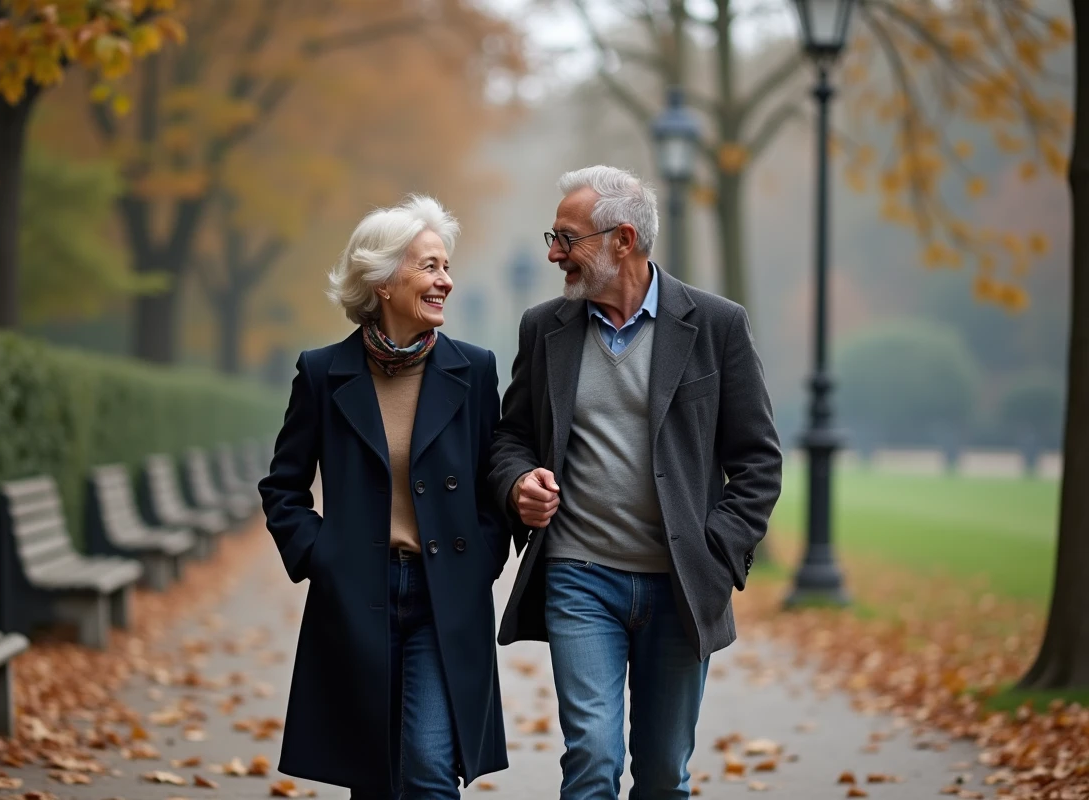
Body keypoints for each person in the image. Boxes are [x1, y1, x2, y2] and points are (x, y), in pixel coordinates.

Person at [489, 166, 782, 799]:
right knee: (592, 758)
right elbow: (510, 437)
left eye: (567, 238)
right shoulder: (545, 328)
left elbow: (758, 460)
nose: (553, 253)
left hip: (679, 585)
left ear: (622, 240)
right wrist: (518, 485)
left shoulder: (716, 325)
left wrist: (715, 552)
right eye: (553, 236)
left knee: (662, 773)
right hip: (578, 576)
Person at [258, 195, 510, 799]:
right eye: (429, 267)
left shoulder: (474, 370)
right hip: (355, 594)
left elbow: (492, 480)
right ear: (383, 280)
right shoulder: (322, 373)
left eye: (447, 267)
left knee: (427, 765)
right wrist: (323, 555)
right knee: (370, 775)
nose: (445, 281)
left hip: (440, 594)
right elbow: (283, 486)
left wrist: (481, 557)